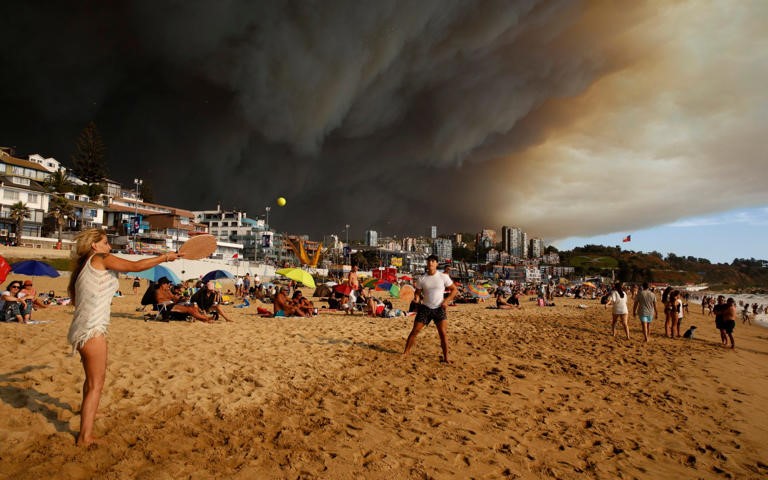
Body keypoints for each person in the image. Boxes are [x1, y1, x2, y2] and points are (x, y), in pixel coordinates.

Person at [66, 228, 182, 446]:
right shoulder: (100, 258)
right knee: (96, 384)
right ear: (95, 245)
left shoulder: (84, 266)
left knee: (90, 380)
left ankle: (88, 411)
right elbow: (136, 266)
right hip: (93, 330)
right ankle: (85, 437)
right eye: (106, 242)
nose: (109, 247)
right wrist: (166, 257)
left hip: (81, 328)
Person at [403, 254, 458, 363]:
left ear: (436, 264)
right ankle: (406, 353)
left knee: (443, 333)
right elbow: (417, 293)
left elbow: (454, 290)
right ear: (427, 263)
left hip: (439, 308)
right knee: (414, 331)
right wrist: (417, 299)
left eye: (433, 261)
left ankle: (446, 357)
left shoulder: (443, 277)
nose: (431, 263)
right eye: (429, 261)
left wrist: (446, 301)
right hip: (425, 309)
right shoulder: (422, 278)